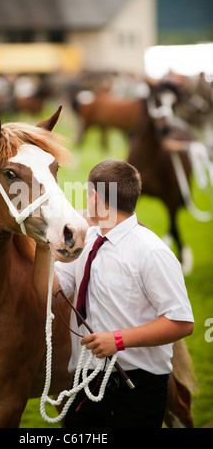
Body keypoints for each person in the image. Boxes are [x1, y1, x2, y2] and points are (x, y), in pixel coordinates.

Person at [33, 159, 194, 428]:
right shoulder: (88, 241)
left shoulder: (152, 252)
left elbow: (181, 322)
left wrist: (118, 340)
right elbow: (47, 292)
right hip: (85, 380)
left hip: (136, 387)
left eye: (87, 194)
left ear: (94, 197)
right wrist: (41, 245)